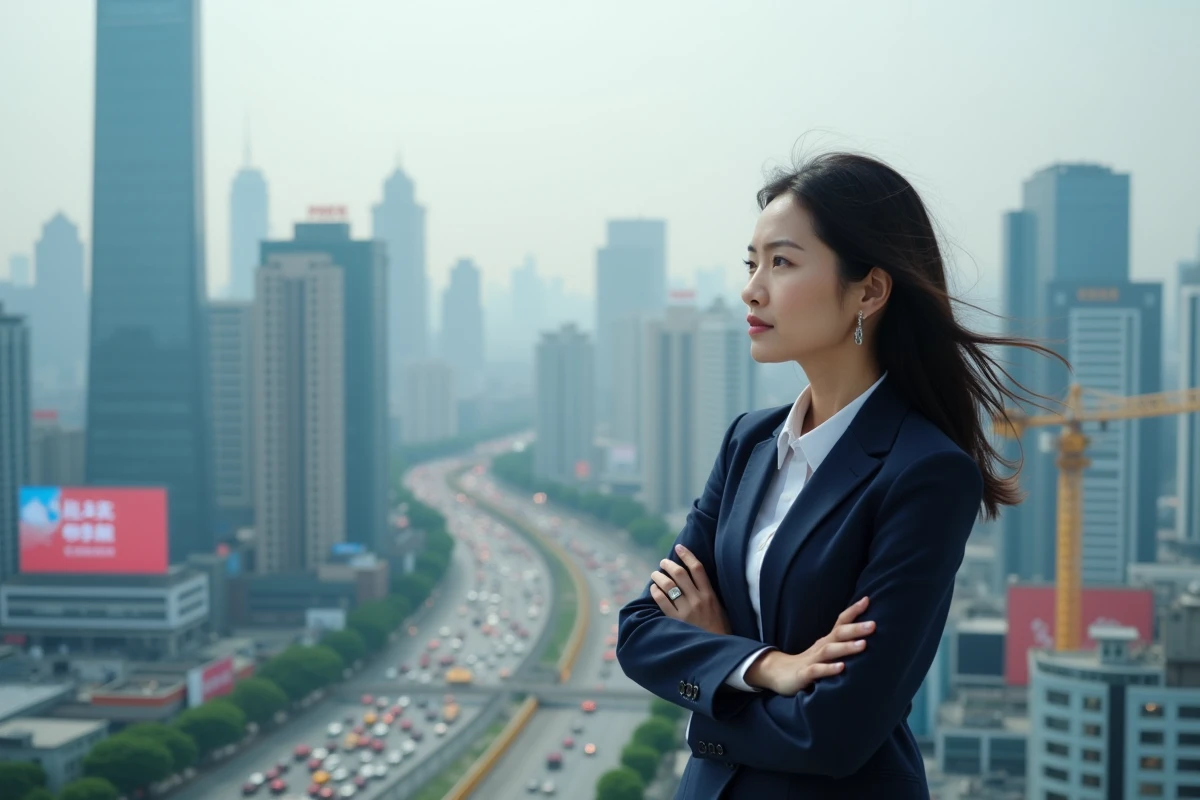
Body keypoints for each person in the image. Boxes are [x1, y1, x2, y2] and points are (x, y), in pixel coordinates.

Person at [616, 152, 1062, 799]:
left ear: (869, 290)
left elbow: (835, 734)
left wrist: (714, 677)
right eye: (752, 262)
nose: (752, 288)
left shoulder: (926, 473)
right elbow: (639, 631)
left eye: (783, 262)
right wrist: (767, 666)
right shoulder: (749, 442)